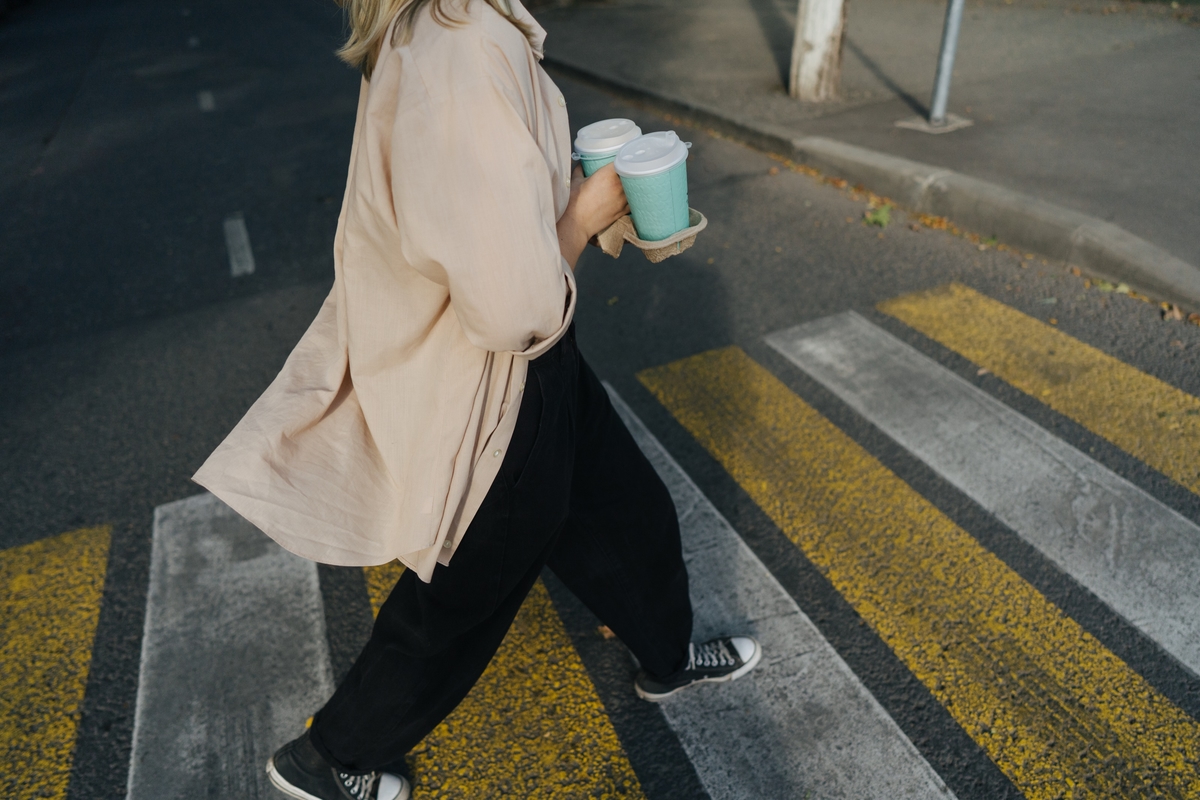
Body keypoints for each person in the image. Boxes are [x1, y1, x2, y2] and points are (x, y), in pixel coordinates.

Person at [192, 0, 761, 796]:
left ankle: (667, 657)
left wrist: (560, 190)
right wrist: (586, 214)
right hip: (498, 387)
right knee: (462, 599)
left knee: (625, 513)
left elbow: (479, 207)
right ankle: (329, 759)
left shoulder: (447, 26)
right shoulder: (463, 47)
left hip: (534, 367)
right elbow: (511, 306)